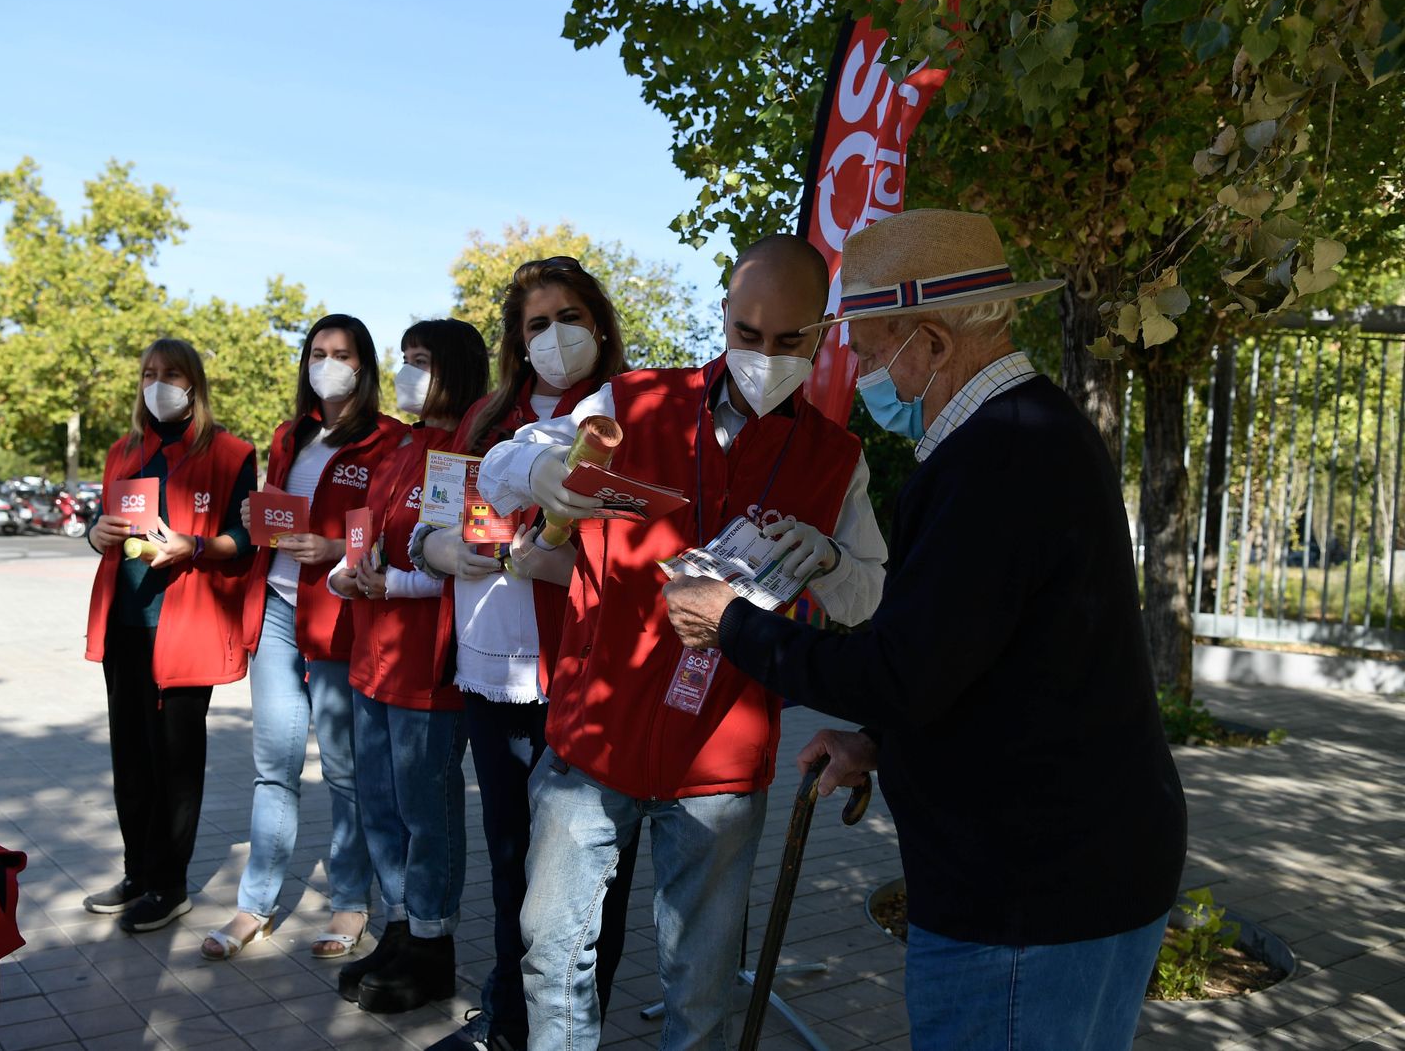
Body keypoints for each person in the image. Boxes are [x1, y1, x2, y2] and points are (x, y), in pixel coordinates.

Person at [664, 209, 1189, 1051]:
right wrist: (879, 740)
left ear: (935, 345)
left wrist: (732, 623)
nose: (863, 373)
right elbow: (974, 652)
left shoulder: (997, 457)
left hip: (1030, 890)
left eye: (872, 352)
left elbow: (900, 668)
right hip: (1070, 867)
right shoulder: (1026, 431)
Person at [478, 236, 888, 1051]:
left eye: (789, 341)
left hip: (721, 760)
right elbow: (501, 464)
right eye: (746, 333)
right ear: (723, 319)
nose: (764, 356)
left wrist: (834, 559)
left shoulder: (837, 458)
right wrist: (542, 477)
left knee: (700, 989)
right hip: (594, 740)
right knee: (552, 952)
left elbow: (869, 589)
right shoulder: (633, 401)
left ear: (822, 333)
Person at [414, 258, 639, 1051]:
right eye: (536, 323)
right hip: (488, 671)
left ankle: (563, 1026)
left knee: (577, 880)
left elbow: (641, 554)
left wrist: (558, 564)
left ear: (600, 324)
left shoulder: (620, 416)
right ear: (516, 339)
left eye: (569, 317)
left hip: (575, 679)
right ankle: (510, 1021)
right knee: (511, 861)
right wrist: (441, 548)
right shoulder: (483, 418)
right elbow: (426, 524)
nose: (554, 337)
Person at [199, 314, 407, 962]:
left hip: (341, 618)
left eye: (342, 353)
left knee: (346, 772)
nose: (328, 364)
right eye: (318, 353)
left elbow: (386, 531)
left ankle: (351, 902)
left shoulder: (389, 441)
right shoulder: (291, 435)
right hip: (280, 614)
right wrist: (257, 517)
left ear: (364, 365)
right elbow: (280, 515)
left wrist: (330, 547)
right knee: (274, 768)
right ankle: (253, 906)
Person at [326, 318, 489, 1013]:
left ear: (455, 369)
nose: (406, 374)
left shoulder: (475, 452)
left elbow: (470, 560)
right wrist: (345, 576)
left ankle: (432, 941)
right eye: (404, 360)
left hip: (430, 664)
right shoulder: (401, 447)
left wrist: (391, 584)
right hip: (371, 656)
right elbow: (362, 541)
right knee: (382, 805)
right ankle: (398, 923)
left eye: (420, 361)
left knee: (427, 812)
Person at [81, 337, 258, 933]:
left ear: (195, 384)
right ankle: (138, 870)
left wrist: (196, 546)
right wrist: (96, 534)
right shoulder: (122, 450)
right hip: (126, 624)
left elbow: (247, 540)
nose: (158, 384)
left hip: (186, 627)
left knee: (175, 761)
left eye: (172, 374)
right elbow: (101, 529)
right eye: (148, 374)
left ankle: (170, 883)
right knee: (129, 757)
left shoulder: (233, 453)